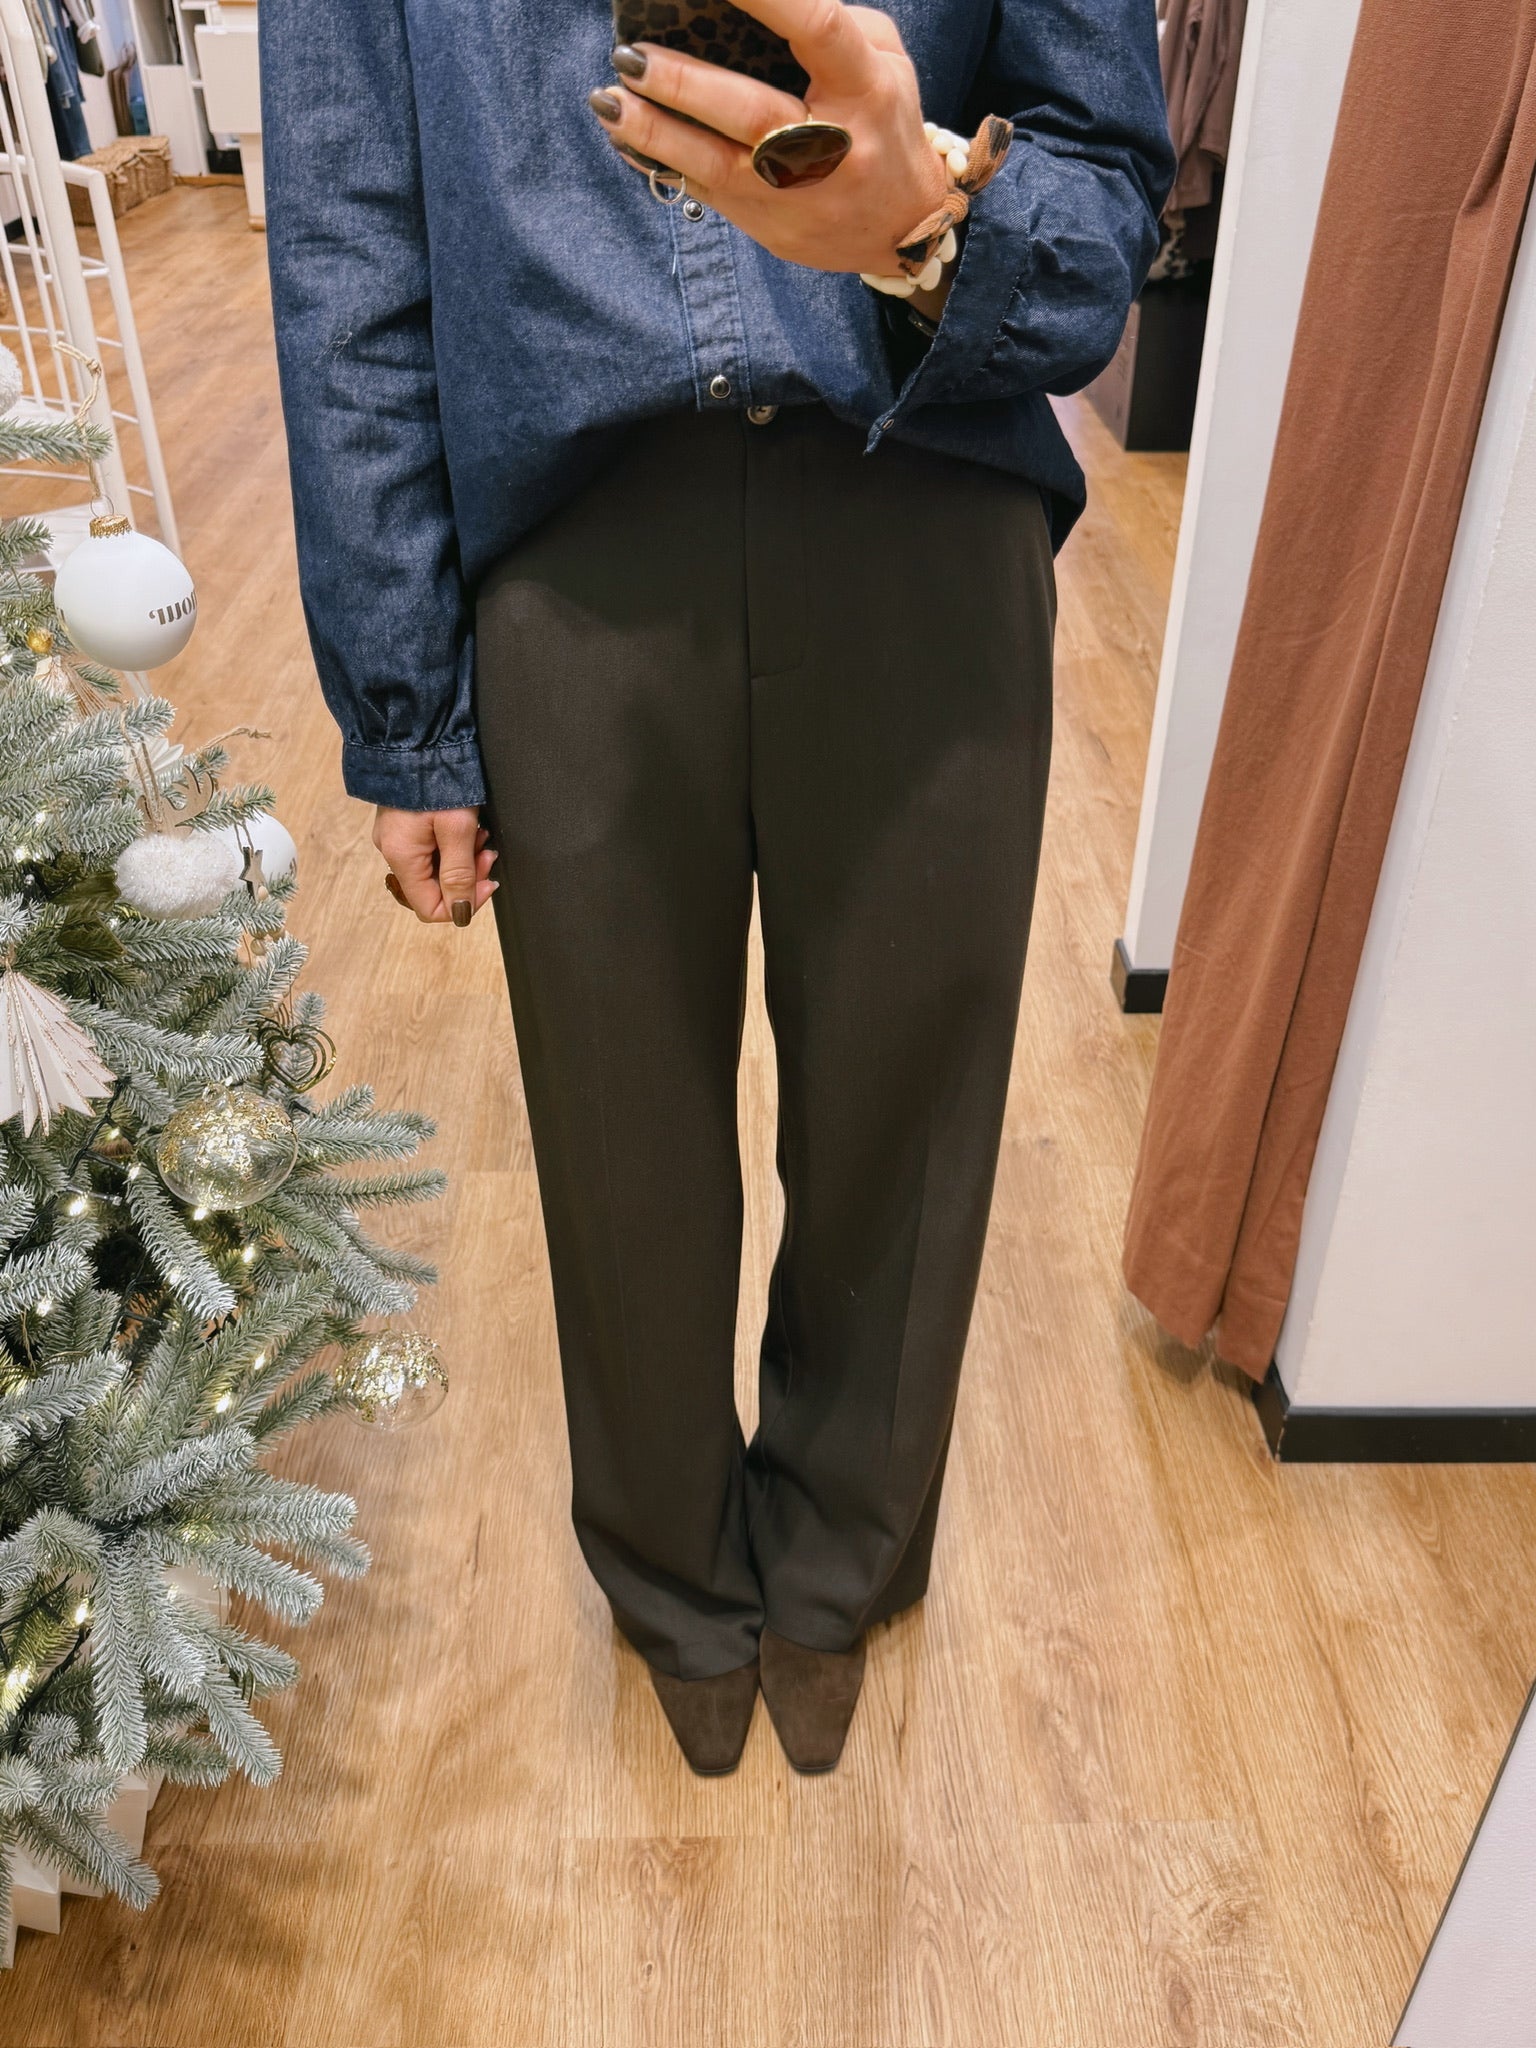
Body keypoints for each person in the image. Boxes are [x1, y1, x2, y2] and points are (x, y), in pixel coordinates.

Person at [259, 0, 1173, 1777]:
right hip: (574, 530)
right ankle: (674, 1570)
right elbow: (353, 231)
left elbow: (1102, 164)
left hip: (923, 468)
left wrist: (934, 228)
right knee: (617, 1126)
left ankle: (843, 1554)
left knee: (912, 1096)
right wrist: (408, 707)